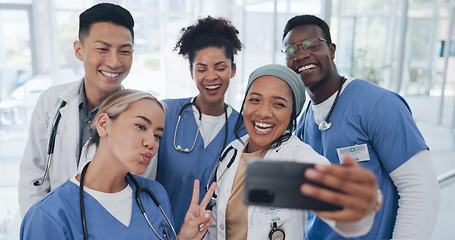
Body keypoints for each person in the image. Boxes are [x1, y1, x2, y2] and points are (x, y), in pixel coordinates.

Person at [282, 14, 440, 239]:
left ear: (332, 50)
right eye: (291, 51)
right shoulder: (304, 120)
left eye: (312, 45)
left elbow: (421, 191)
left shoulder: (377, 104)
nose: (301, 55)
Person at [208, 64, 379, 239]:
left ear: (292, 114)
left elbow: (340, 209)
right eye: (255, 100)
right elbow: (217, 225)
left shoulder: (297, 157)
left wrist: (355, 206)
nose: (264, 112)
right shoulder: (232, 151)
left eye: (278, 104)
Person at [20, 89, 216, 240]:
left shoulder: (155, 196)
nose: (151, 142)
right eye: (140, 126)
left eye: (158, 135)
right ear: (104, 125)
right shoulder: (48, 216)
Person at [18, 3, 135, 217]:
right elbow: (33, 177)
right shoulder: (52, 102)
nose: (114, 61)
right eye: (102, 49)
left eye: (124, 51)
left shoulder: (139, 115)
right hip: (53, 224)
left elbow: (139, 189)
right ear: (79, 50)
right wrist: (40, 227)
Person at [142, 16, 245, 233]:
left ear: (233, 70)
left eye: (220, 67)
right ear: (191, 72)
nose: (211, 77)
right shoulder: (166, 113)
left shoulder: (244, 129)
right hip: (161, 232)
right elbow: (142, 179)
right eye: (201, 69)